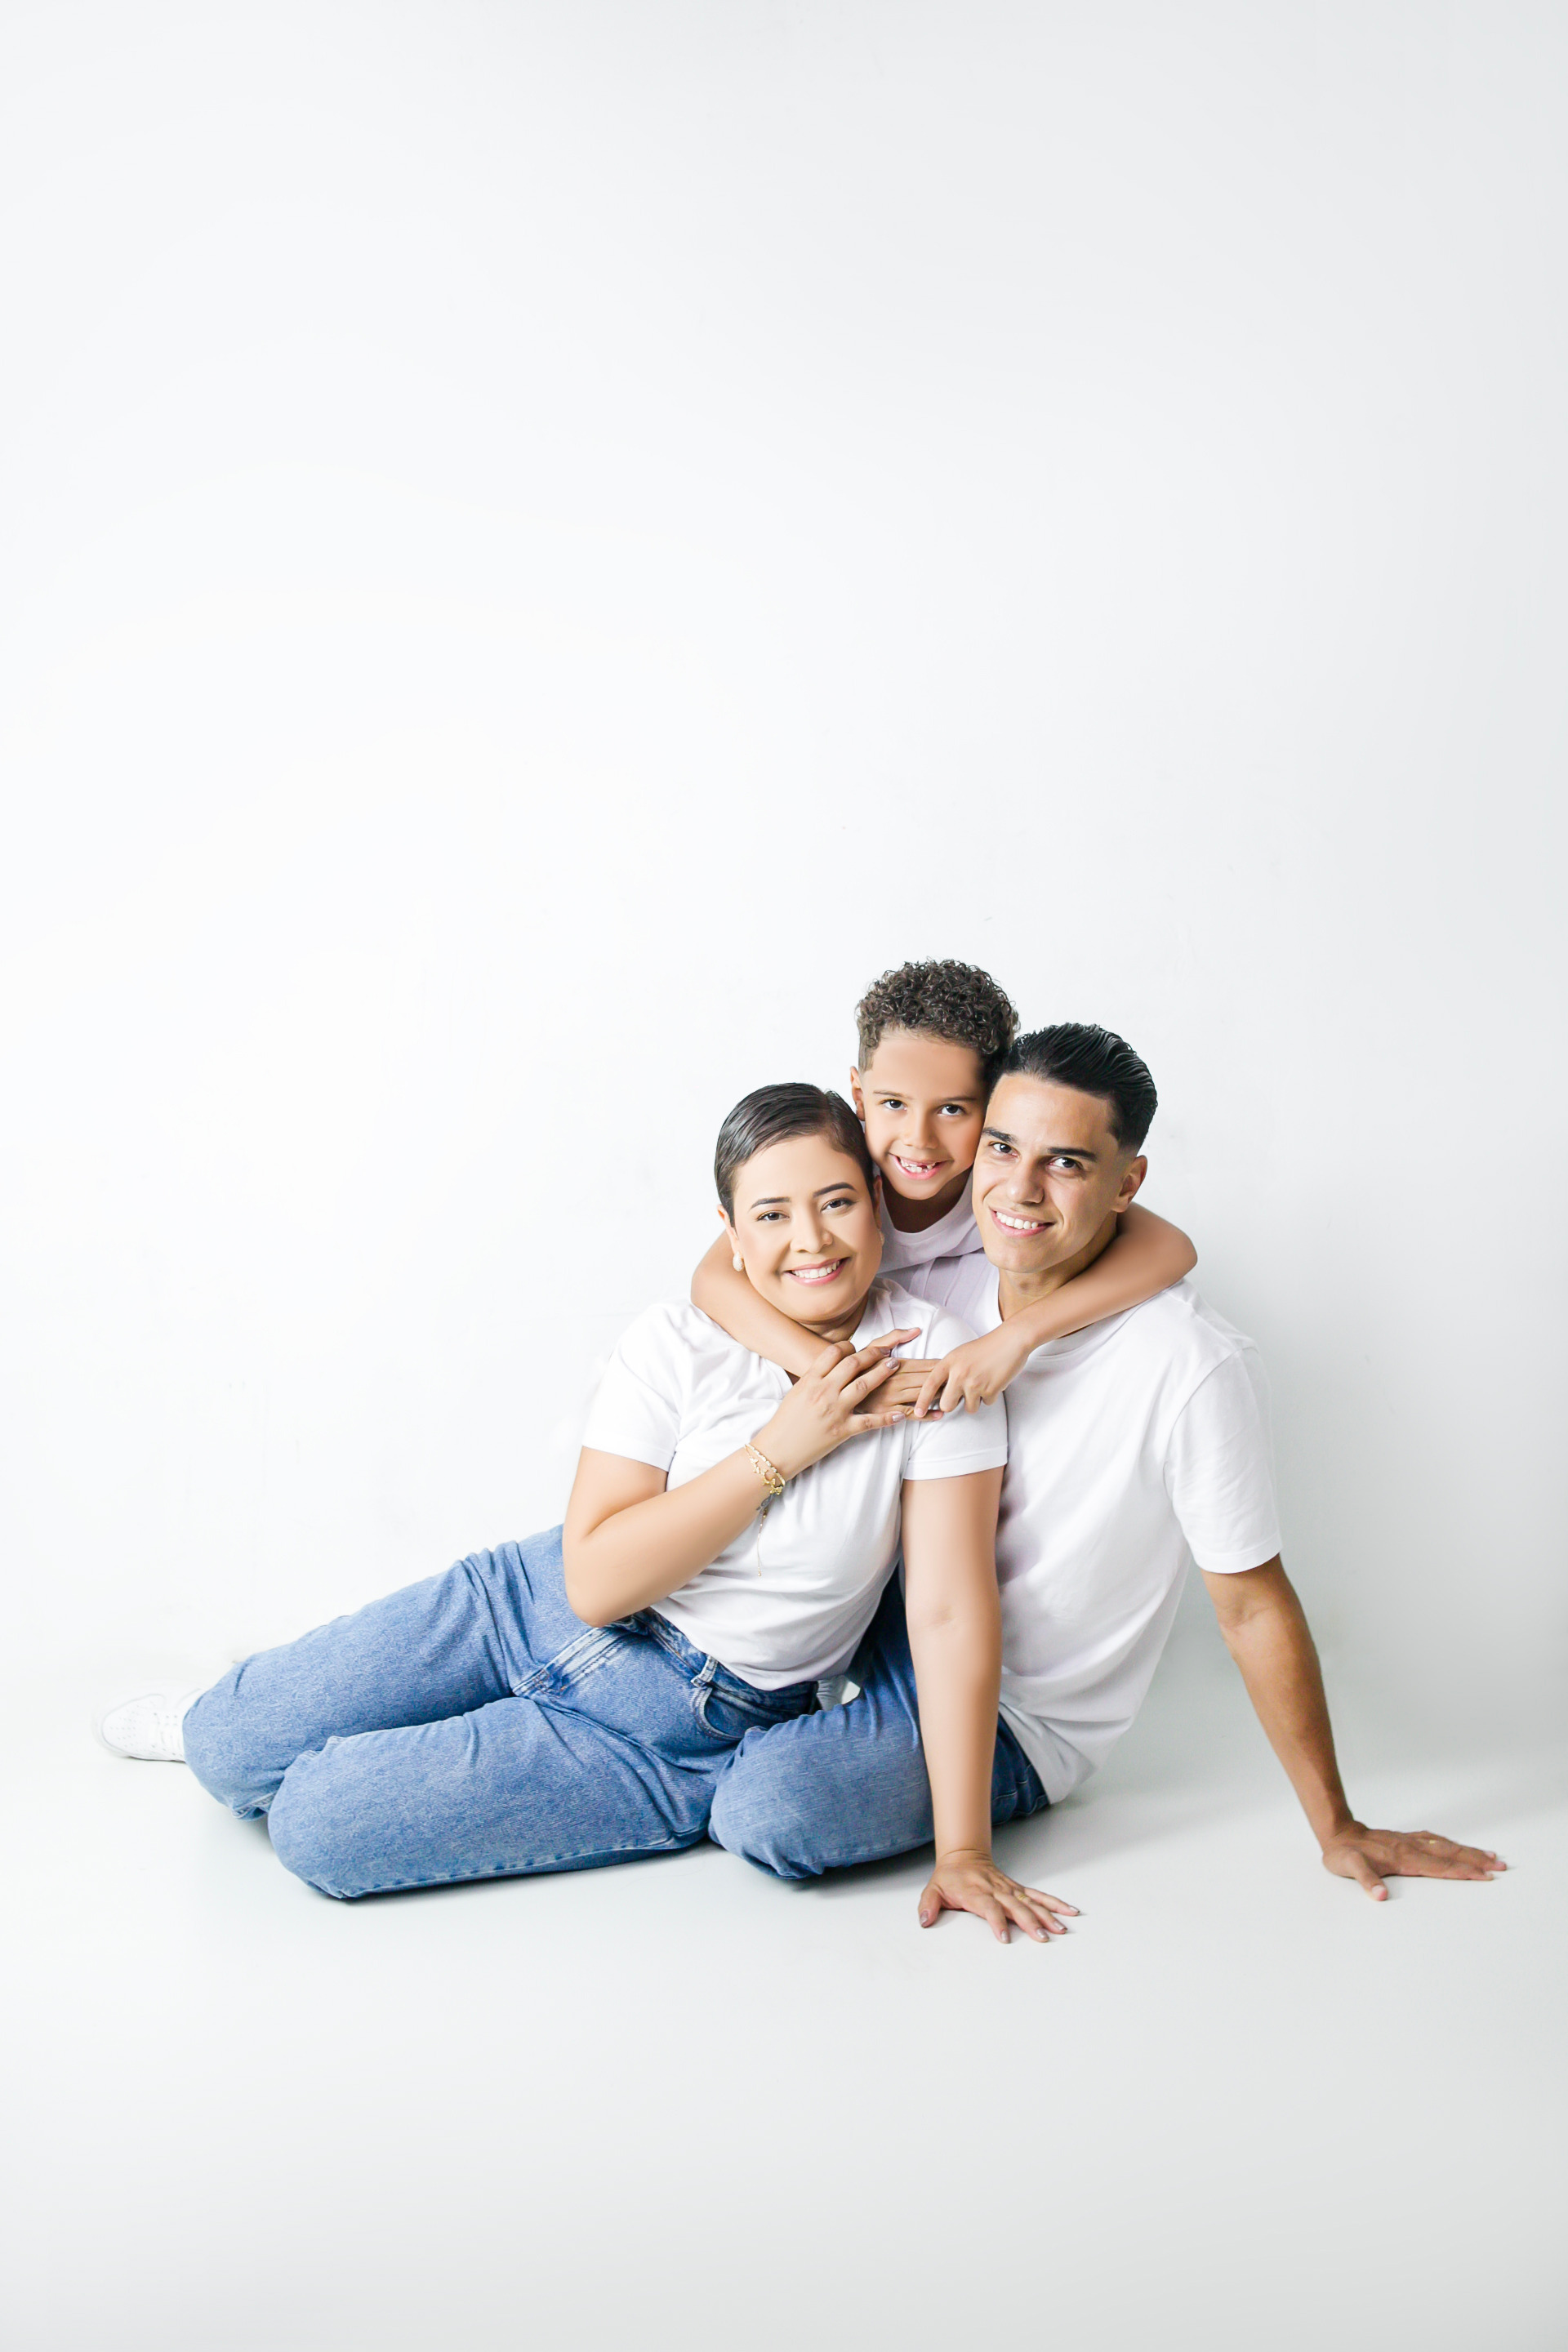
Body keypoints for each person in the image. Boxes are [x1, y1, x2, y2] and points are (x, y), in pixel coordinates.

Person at [94, 1083, 1063, 1939]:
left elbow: (947, 1609)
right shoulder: (675, 1339)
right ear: (730, 1234)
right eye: (771, 1215)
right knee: (226, 1743)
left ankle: (423, 1749)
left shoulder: (934, 1364)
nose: (810, 1241)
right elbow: (595, 1584)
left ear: (877, 1205)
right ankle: (263, 1720)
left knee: (317, 1825)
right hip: (529, 1601)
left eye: (837, 1202)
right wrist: (784, 1445)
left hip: (678, 1728)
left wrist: (963, 1848)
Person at [706, 1024, 1503, 1908]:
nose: (1020, 1188)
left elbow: (1251, 1606)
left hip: (1015, 1717)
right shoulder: (943, 1277)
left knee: (773, 1811)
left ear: (1128, 1183)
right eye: (1002, 1148)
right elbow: (735, 1256)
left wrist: (1338, 1825)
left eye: (1066, 1164)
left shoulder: (1190, 1365)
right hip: (881, 1629)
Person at [693, 958, 1199, 1414]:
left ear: (995, 1105)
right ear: (859, 1097)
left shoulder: (1008, 1192)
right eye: (894, 1104)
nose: (919, 1139)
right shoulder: (834, 1174)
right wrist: (842, 1376)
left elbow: (1171, 1248)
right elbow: (713, 1277)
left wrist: (1018, 1337)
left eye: (953, 1109)